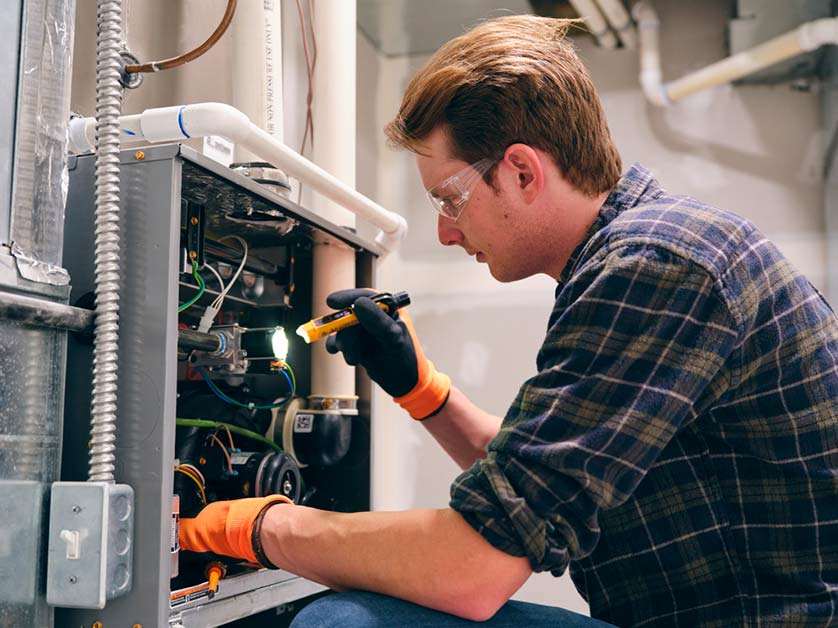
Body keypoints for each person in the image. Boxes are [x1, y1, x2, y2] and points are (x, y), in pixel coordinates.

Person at [179, 15, 838, 627]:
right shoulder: (644, 253)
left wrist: (261, 527)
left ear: (522, 171)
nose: (443, 230)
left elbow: (473, 568)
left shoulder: (655, 267)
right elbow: (537, 486)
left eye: (450, 198)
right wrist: (422, 390)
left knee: (340, 623)